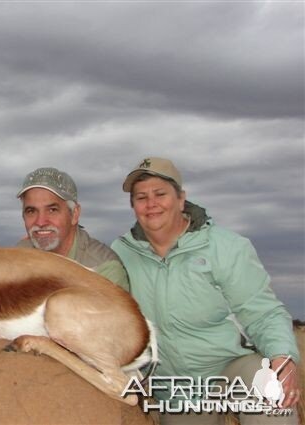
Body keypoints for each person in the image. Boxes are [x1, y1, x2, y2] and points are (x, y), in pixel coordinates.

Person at [111, 157, 301, 424]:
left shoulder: (226, 247)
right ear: (133, 207)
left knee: (270, 396)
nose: (151, 203)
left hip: (231, 366)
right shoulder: (120, 254)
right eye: (141, 197)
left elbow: (263, 312)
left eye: (160, 194)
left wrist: (283, 357)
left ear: (180, 199)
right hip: (178, 388)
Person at [16, 167, 129, 290]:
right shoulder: (19, 256)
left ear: (74, 214)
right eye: (31, 211)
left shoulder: (104, 271)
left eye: (52, 210)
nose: (40, 222)